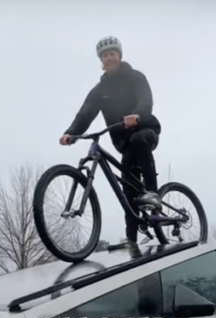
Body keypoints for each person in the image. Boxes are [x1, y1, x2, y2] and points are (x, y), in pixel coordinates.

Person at [60, 36, 163, 247]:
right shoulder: (99, 91)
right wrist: (71, 133)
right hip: (124, 144)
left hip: (145, 130)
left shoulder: (135, 77)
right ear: (101, 61)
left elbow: (146, 101)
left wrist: (137, 115)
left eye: (112, 54)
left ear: (120, 56)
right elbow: (85, 113)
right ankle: (131, 239)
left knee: (139, 139)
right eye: (105, 56)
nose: (109, 58)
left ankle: (153, 193)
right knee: (128, 190)